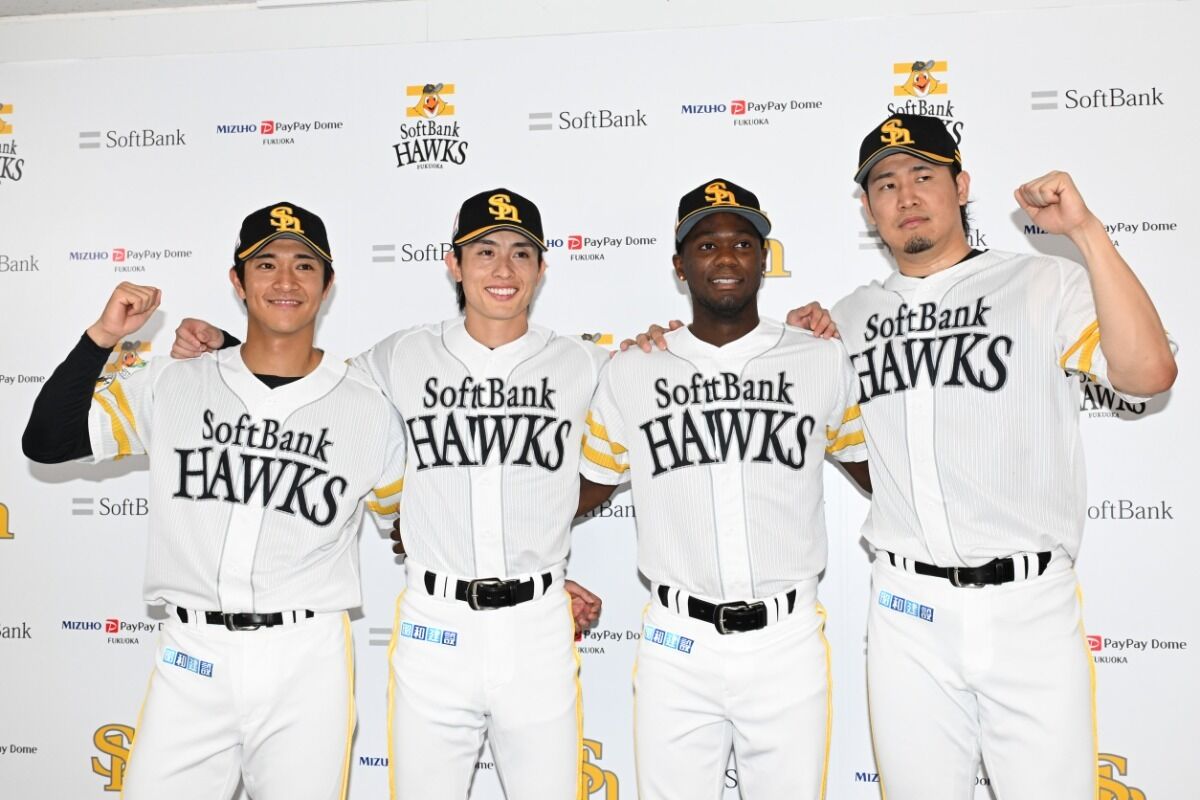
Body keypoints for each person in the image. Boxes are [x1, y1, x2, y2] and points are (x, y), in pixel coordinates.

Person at [637, 115, 1178, 799]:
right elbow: (750, 373)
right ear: (868, 209)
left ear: (962, 186)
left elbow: (1147, 373)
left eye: (924, 175)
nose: (906, 196)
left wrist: (1087, 234)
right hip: (907, 610)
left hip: (1029, 605)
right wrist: (667, 346)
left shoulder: (1041, 283)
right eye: (886, 185)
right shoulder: (847, 319)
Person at [172, 188, 606, 799]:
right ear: (453, 264)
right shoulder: (401, 355)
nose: (503, 270)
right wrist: (222, 344)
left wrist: (539, 543)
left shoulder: (584, 362)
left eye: (520, 253)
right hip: (434, 623)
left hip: (537, 622)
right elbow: (307, 384)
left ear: (541, 268)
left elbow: (633, 431)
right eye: (484, 252)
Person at [22, 202, 407, 800]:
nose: (285, 280)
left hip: (306, 659)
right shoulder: (174, 382)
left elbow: (412, 527)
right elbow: (48, 442)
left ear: (328, 284)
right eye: (266, 264)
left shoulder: (368, 406)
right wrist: (103, 338)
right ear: (238, 280)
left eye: (305, 265)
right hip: (192, 654)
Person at [579, 179, 869, 799]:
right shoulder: (633, 369)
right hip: (676, 642)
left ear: (765, 258)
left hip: (787, 639)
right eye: (706, 245)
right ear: (680, 265)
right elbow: (582, 490)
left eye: (742, 243)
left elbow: (884, 476)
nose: (727, 258)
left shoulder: (819, 359)